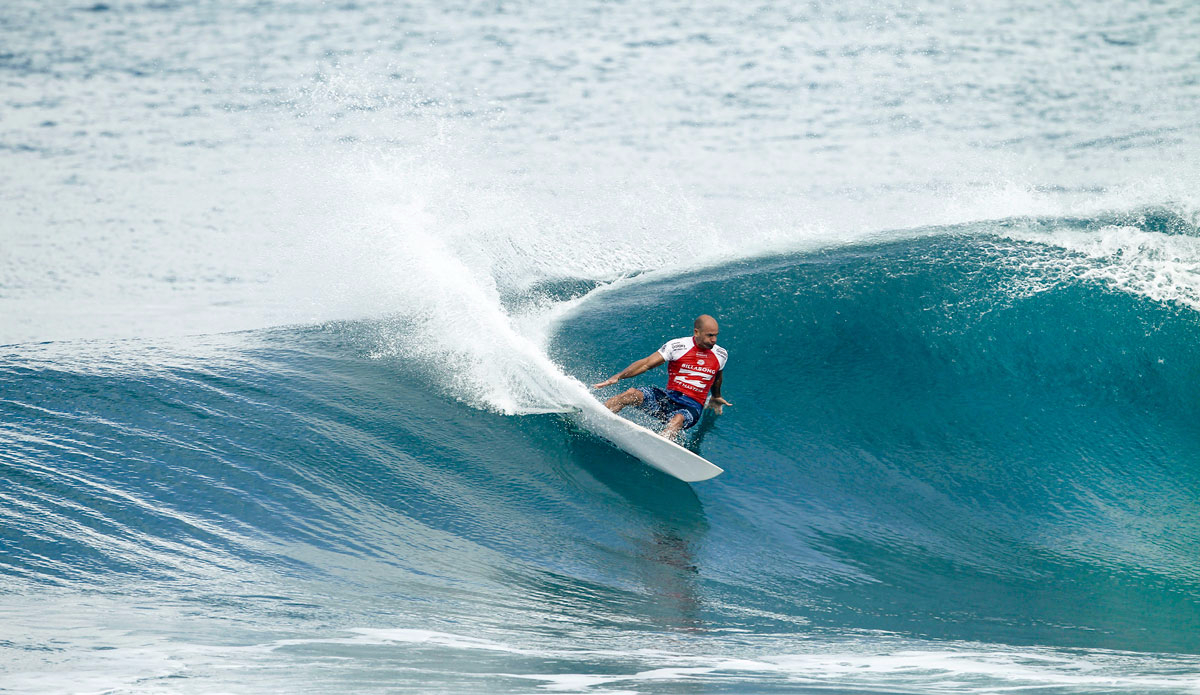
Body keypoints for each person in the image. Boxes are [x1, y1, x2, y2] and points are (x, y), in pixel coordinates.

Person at [592, 314, 731, 440]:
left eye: (716, 335)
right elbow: (646, 364)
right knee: (630, 394)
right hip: (668, 398)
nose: (714, 340)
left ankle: (659, 447)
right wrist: (618, 376)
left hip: (692, 406)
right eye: (710, 335)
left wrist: (716, 396)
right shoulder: (678, 346)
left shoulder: (721, 354)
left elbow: (717, 377)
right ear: (696, 332)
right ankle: (594, 416)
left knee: (677, 419)